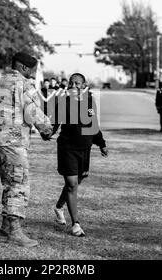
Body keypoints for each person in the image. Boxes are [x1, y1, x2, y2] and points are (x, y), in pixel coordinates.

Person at [0, 52, 53, 248]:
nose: (33, 74)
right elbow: (33, 112)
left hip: (1, 140)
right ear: (24, 67)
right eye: (33, 70)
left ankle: (5, 230)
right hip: (15, 142)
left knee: (10, 182)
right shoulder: (26, 85)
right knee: (18, 184)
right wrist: (47, 129)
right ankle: (15, 231)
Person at [51, 73, 108, 237]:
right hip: (67, 147)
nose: (74, 86)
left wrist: (101, 143)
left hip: (85, 148)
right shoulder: (63, 102)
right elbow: (55, 123)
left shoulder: (90, 102)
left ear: (84, 85)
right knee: (71, 183)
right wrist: (47, 132)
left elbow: (94, 124)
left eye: (77, 83)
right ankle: (76, 224)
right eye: (71, 83)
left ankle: (59, 206)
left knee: (77, 181)